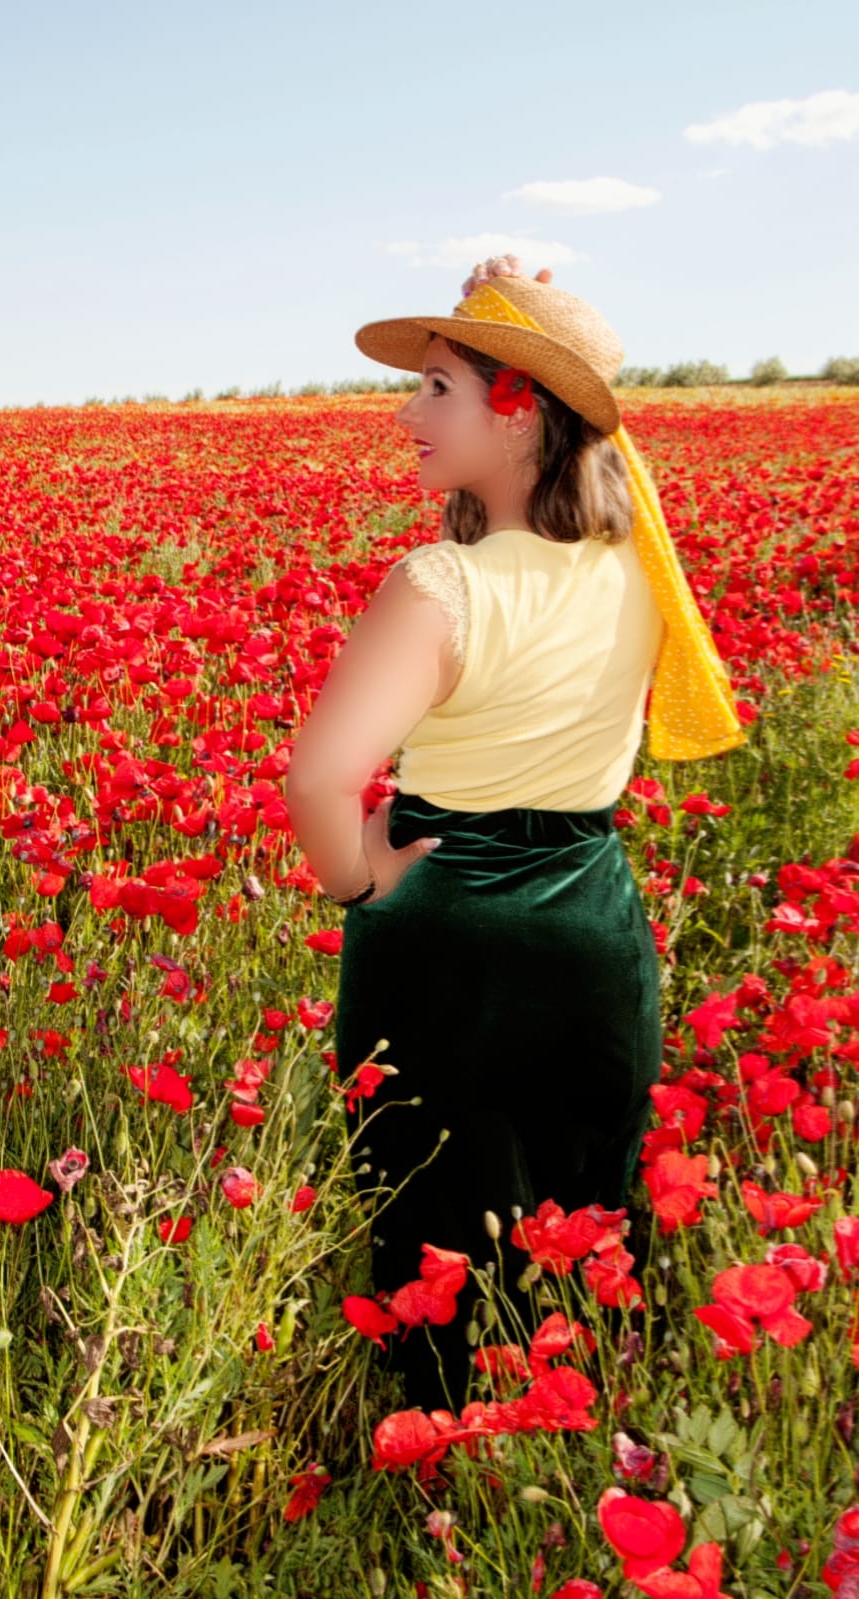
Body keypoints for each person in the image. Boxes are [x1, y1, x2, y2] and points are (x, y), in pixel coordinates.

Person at [283, 256, 745, 1412]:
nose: (405, 414)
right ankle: (576, 1439)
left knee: (435, 1229)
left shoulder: (443, 584)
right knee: (587, 1211)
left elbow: (319, 777)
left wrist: (361, 880)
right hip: (595, 925)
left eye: (435, 386)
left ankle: (441, 1463)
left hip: (446, 942)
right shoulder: (640, 575)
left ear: (516, 403)